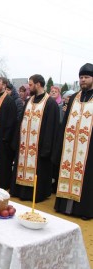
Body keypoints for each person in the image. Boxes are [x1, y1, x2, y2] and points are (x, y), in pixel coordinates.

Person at [10, 74, 59, 203]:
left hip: (39, 146)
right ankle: (20, 190)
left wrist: (47, 148)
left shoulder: (50, 103)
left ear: (38, 84)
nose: (29, 87)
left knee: (39, 170)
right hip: (24, 144)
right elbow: (21, 122)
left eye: (31, 84)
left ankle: (37, 193)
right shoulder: (28, 101)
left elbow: (51, 128)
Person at [54, 63, 93, 220]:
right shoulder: (74, 98)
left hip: (89, 148)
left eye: (86, 77)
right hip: (70, 146)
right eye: (81, 77)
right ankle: (64, 207)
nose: (83, 80)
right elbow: (64, 124)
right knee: (67, 172)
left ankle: (83, 210)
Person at [0, 77, 17, 190]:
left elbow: (11, 122)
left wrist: (5, 138)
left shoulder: (9, 101)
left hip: (3, 139)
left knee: (3, 163)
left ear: (4, 85)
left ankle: (3, 185)